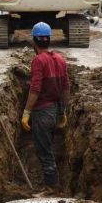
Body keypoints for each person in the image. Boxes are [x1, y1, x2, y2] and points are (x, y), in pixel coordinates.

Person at [21, 22, 70, 190]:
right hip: (55, 110)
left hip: (42, 113)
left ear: (34, 42)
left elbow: (35, 89)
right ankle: (53, 182)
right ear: (48, 40)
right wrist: (63, 111)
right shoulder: (60, 60)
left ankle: (51, 188)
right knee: (49, 147)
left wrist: (26, 112)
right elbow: (65, 87)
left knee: (45, 152)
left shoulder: (38, 61)